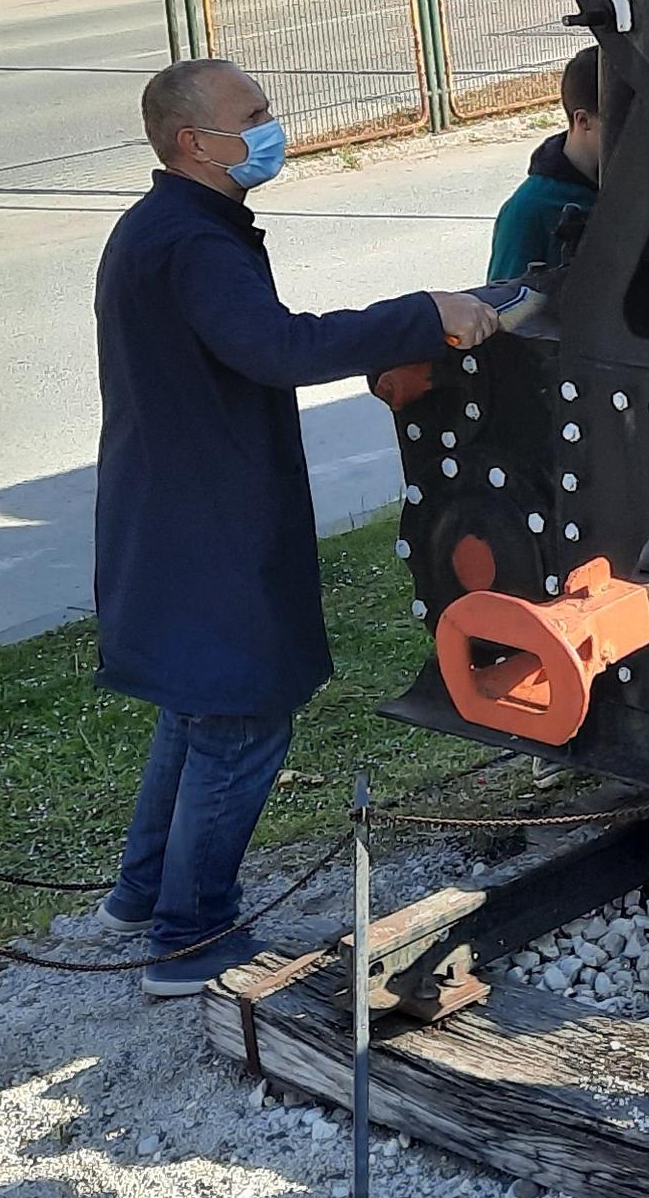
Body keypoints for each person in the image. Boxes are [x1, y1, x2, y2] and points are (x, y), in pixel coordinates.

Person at [95, 60, 499, 997]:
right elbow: (276, 349)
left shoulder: (165, 225)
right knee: (241, 715)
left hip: (171, 501)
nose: (273, 128)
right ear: (193, 142)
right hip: (210, 514)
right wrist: (420, 316)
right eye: (255, 116)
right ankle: (190, 939)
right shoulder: (195, 242)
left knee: (196, 706)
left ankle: (141, 895)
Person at [488, 47, 649, 284]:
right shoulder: (527, 212)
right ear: (583, 120)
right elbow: (505, 309)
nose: (641, 138)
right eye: (625, 124)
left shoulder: (634, 186)